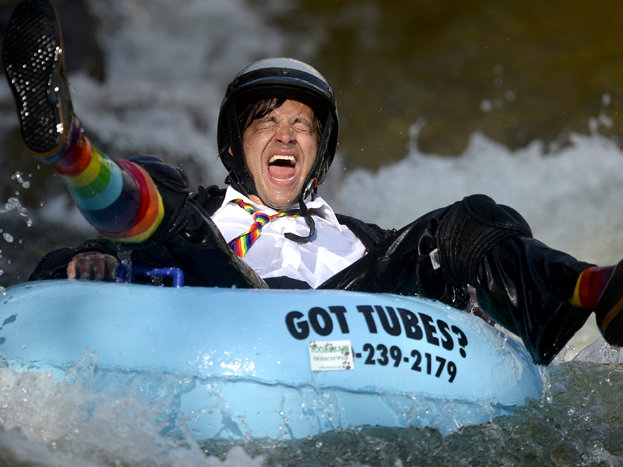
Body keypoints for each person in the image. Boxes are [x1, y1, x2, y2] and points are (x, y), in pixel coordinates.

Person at [3, 0, 621, 365]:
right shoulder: (200, 212)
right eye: (266, 121)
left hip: (342, 317)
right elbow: (61, 277)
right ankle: (70, 148)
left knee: (465, 222)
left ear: (319, 155)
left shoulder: (361, 241)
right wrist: (85, 261)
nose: (286, 136)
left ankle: (596, 287)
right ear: (232, 146)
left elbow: (440, 274)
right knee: (168, 195)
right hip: (217, 289)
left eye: (302, 125)